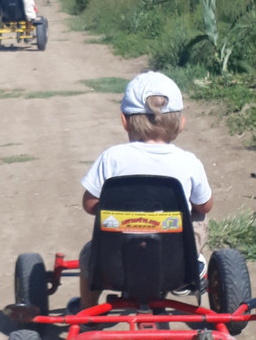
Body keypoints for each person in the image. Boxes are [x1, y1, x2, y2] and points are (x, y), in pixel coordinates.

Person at [73, 71, 212, 311]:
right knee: (198, 212)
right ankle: (194, 262)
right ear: (181, 124)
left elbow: (89, 204)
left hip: (114, 261)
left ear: (124, 121)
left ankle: (87, 312)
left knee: (89, 255)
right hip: (174, 260)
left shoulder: (111, 158)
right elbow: (206, 205)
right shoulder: (189, 162)